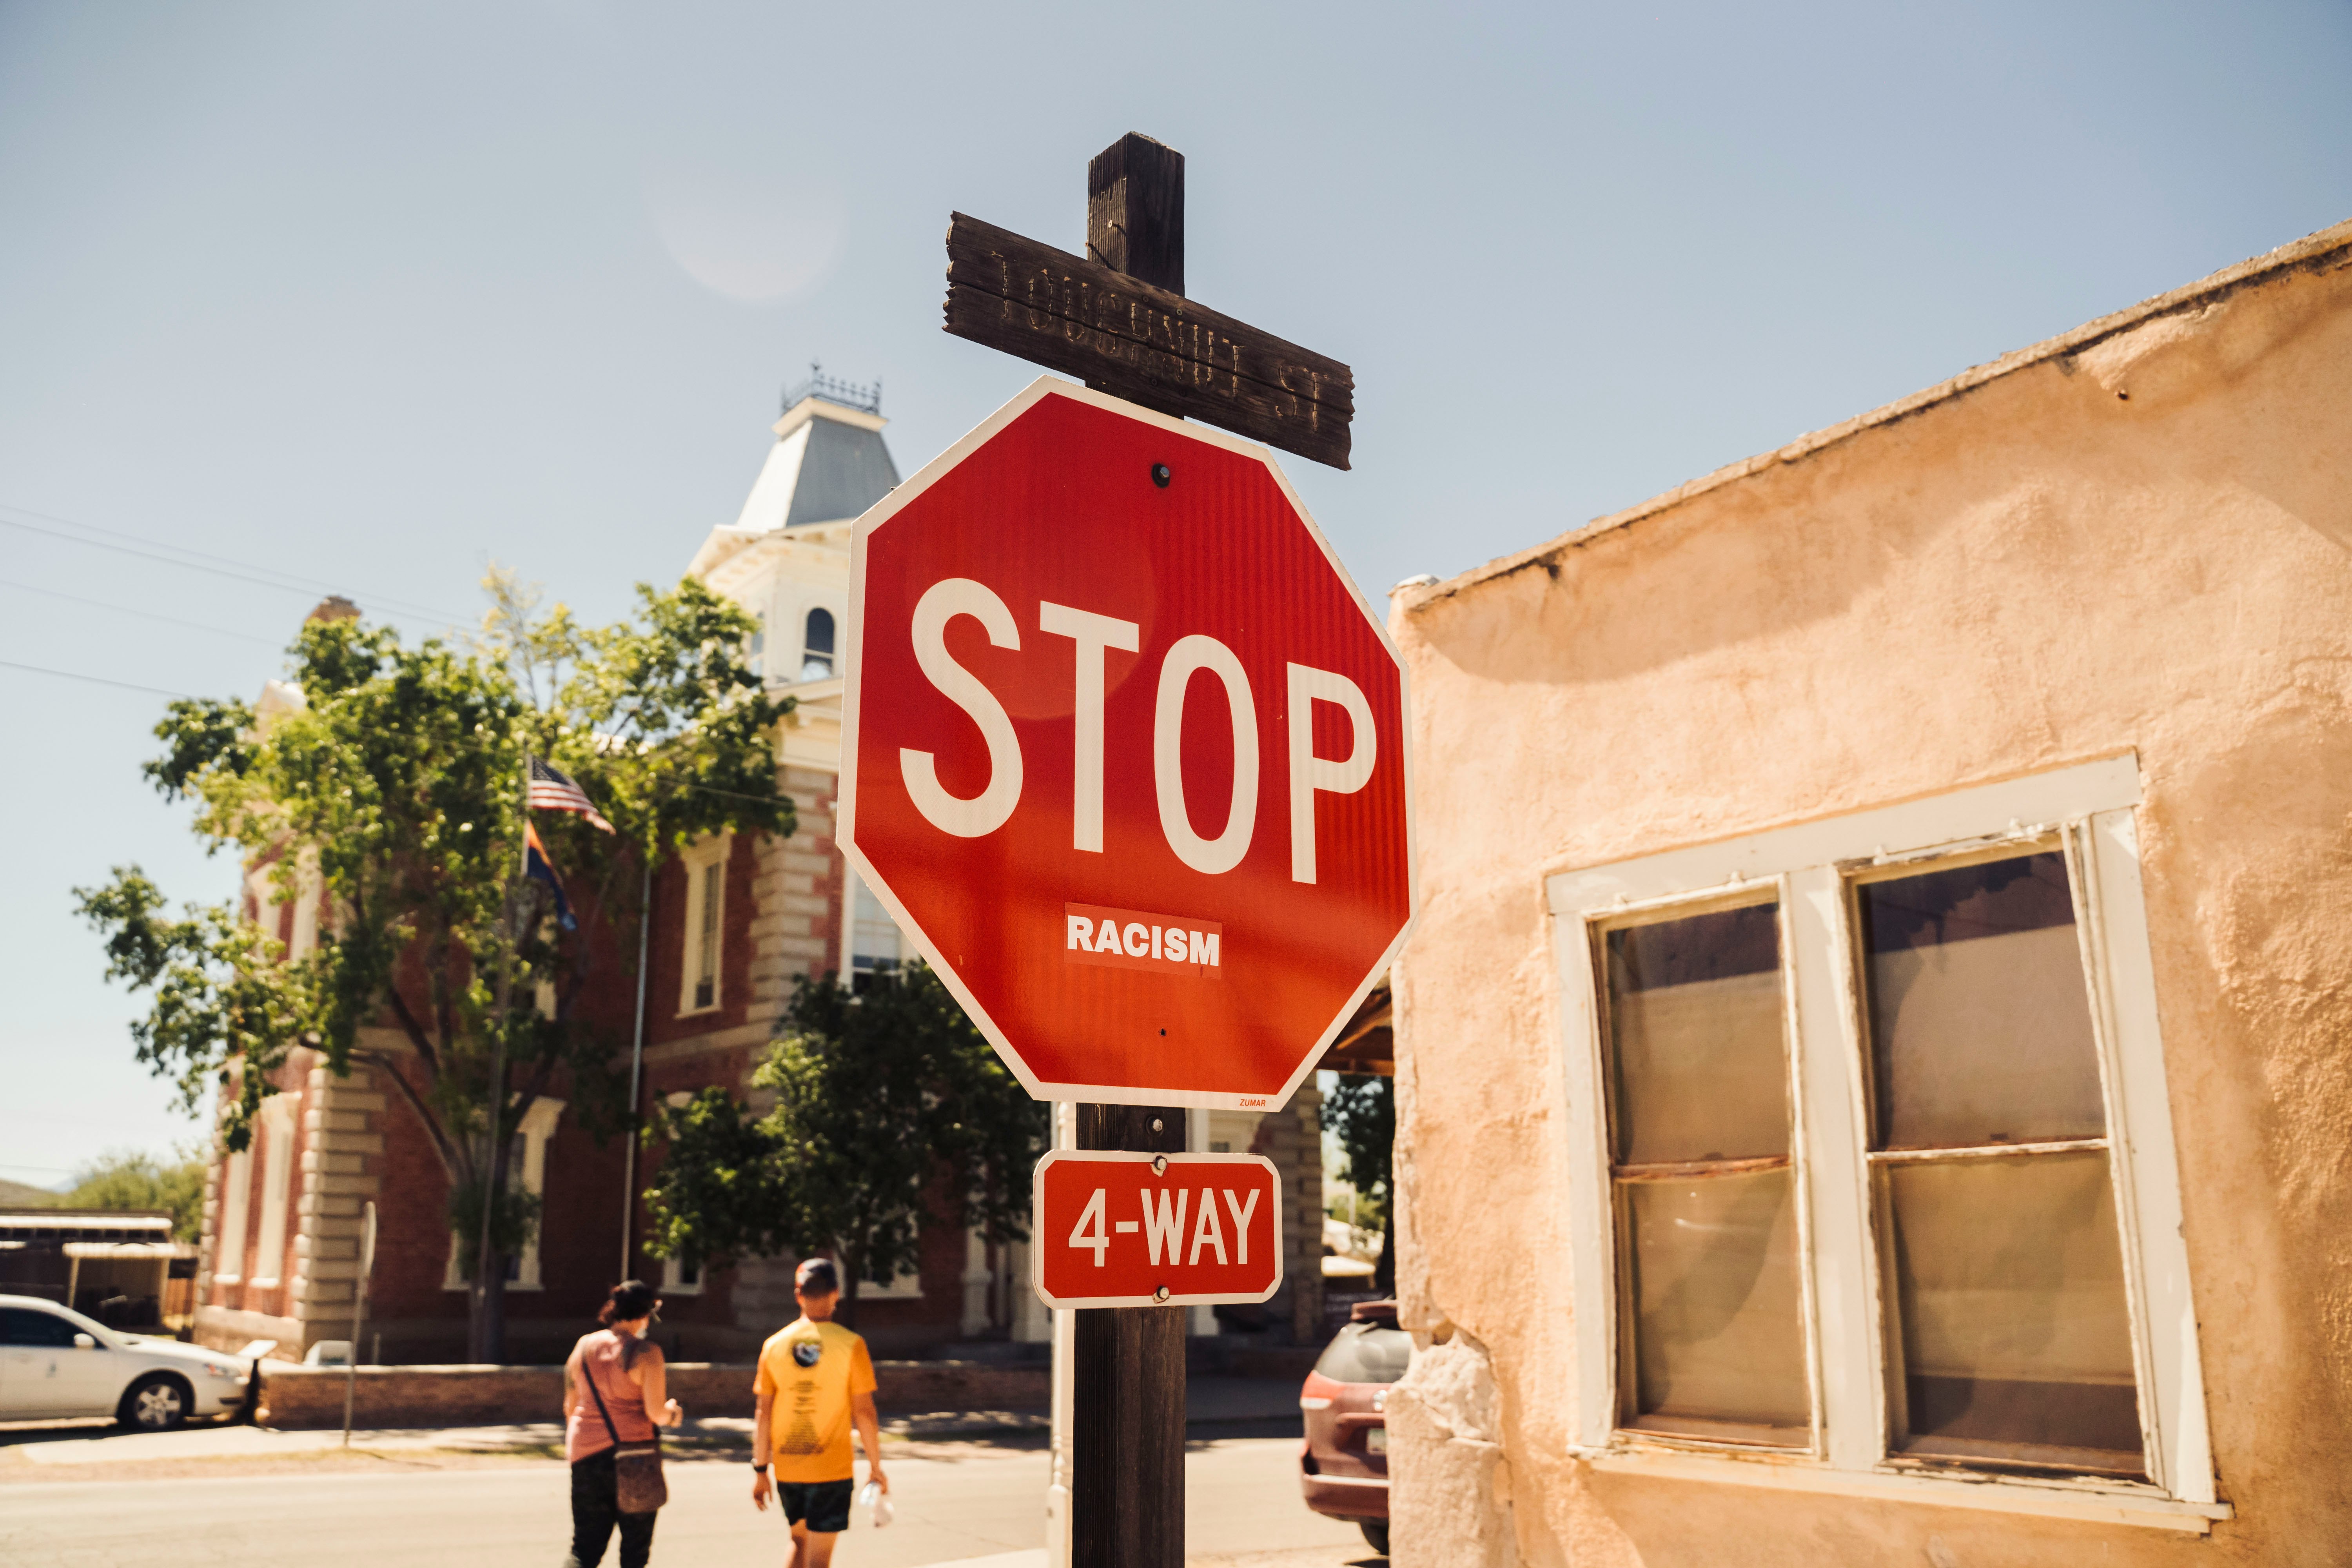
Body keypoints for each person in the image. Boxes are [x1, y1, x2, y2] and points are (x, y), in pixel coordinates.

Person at [751, 1258, 888, 1567]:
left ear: (798, 1295)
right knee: (820, 1560)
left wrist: (761, 1471)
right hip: (831, 1470)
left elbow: (764, 1414)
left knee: (798, 1543)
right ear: (835, 1293)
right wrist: (877, 1468)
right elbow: (864, 1413)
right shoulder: (851, 1344)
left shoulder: (773, 1346)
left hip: (789, 1468)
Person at [562, 1280, 684, 1568]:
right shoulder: (646, 1354)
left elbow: (570, 1405)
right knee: (634, 1551)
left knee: (584, 1549)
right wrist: (673, 1414)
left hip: (586, 1455)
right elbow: (656, 1414)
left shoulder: (584, 1347)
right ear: (647, 1315)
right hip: (634, 1458)